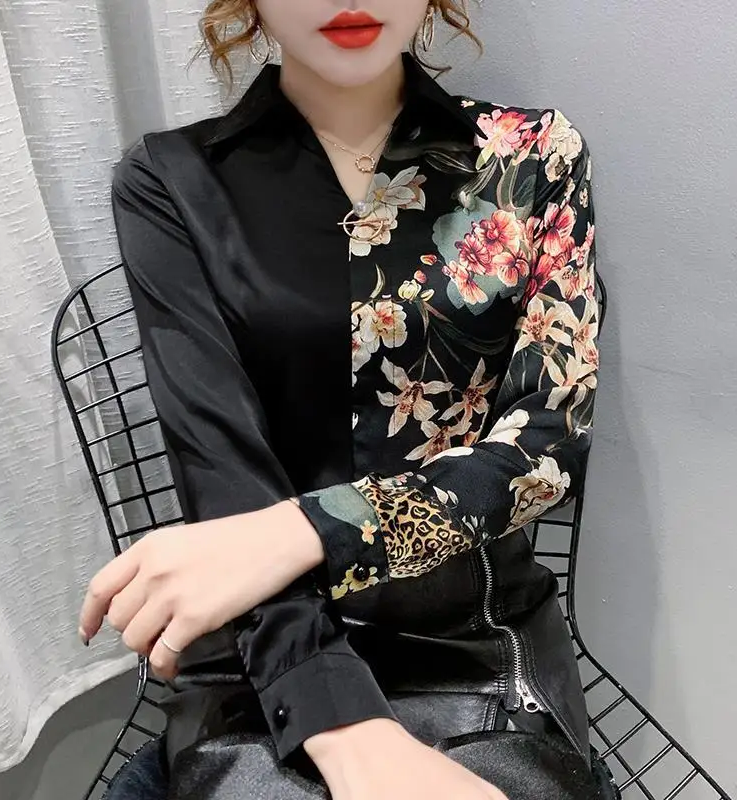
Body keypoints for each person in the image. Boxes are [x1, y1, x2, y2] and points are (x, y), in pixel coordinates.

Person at [80, 1, 601, 797]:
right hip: (260, 645)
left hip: (473, 642)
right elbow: (221, 473)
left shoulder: (533, 157)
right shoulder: (173, 179)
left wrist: (303, 528)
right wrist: (348, 730)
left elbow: (546, 447)